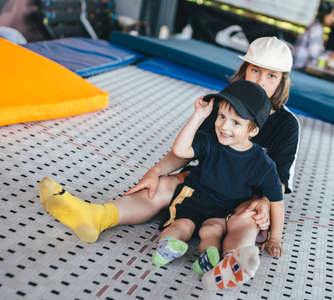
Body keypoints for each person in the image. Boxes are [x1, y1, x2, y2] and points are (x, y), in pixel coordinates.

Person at [38, 36, 300, 288]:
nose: (261, 80)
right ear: (244, 70)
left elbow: (276, 183)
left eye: (271, 76)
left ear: (282, 82)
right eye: (255, 70)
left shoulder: (287, 125)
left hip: (244, 197)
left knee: (250, 217)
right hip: (204, 183)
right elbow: (190, 150)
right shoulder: (225, 104)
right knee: (162, 186)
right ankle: (97, 216)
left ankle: (234, 262)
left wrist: (264, 203)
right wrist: (157, 170)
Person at [151, 80, 284, 290]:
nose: (224, 126)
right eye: (221, 116)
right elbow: (181, 150)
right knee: (181, 225)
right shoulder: (210, 139)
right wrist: (198, 116)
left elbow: (276, 200)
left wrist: (275, 238)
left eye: (236, 123)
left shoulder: (263, 163)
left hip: (223, 213)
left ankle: (210, 259)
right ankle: (169, 246)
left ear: (253, 131)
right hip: (193, 201)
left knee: (212, 232)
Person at [293, 1, 334, 70]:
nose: (333, 18)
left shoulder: (317, 27)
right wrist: (329, 55)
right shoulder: (316, 29)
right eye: (332, 14)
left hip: (301, 66)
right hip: (300, 67)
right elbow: (314, 55)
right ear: (325, 14)